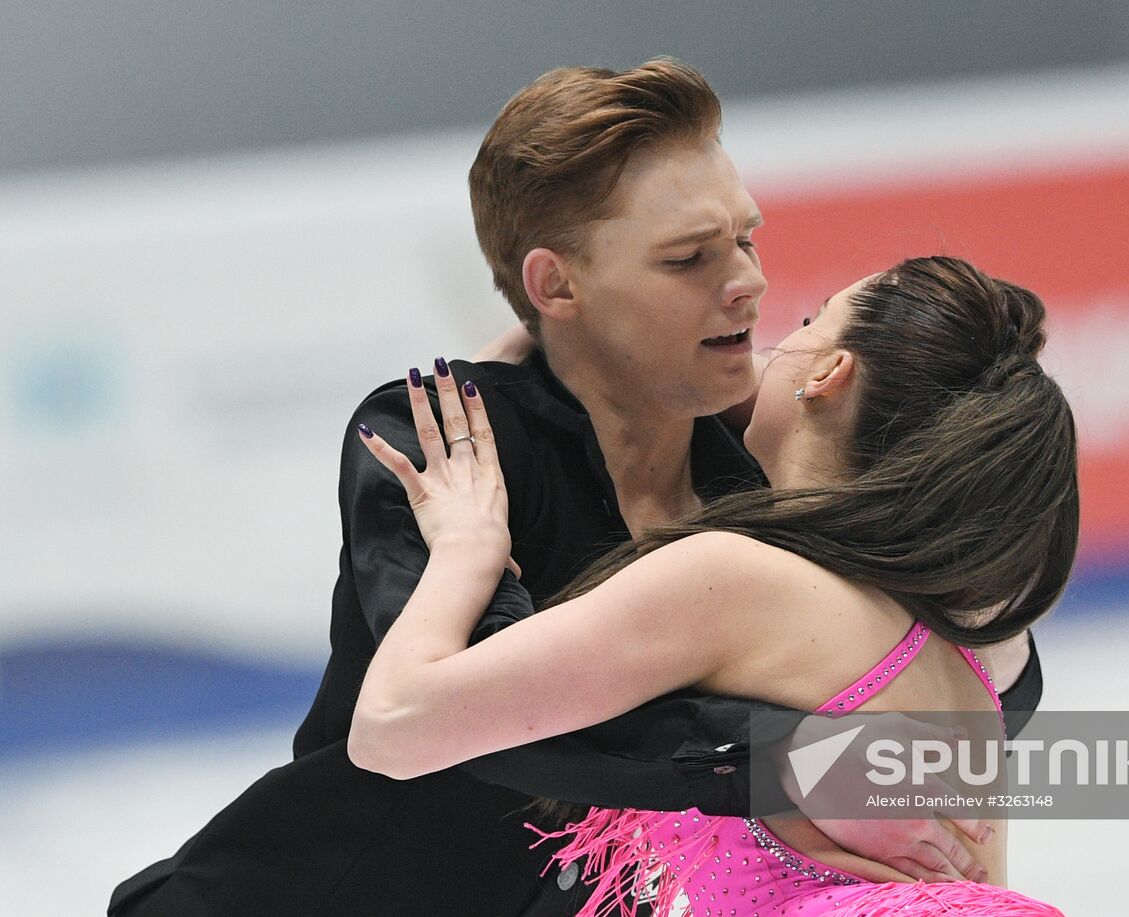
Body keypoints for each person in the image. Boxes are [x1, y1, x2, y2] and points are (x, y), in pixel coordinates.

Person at [109, 60, 1042, 917]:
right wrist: (785, 761)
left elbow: (950, 655)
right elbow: (501, 721)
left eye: (747, 239)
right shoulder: (446, 443)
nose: (750, 286)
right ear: (557, 285)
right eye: (689, 259)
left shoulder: (764, 456)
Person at [349, 254, 1076, 914]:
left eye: (805, 322)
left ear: (827, 376)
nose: (767, 345)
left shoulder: (737, 581)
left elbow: (391, 725)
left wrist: (468, 552)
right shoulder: (972, 633)